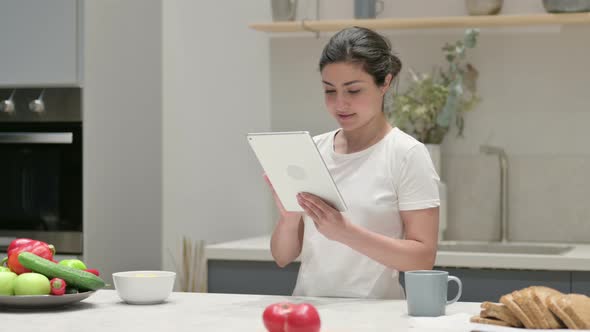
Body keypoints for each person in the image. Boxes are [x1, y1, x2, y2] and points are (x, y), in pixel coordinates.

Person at [265, 26, 440, 299]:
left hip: (378, 319)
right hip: (310, 313)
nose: (340, 104)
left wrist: (345, 233)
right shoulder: (312, 150)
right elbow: (282, 257)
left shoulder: (406, 154)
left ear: (385, 83)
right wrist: (288, 220)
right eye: (329, 91)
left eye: (353, 90)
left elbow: (422, 259)